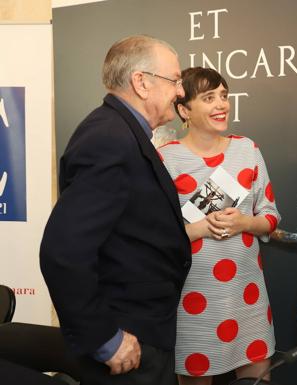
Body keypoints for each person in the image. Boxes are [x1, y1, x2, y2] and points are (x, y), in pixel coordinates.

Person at [40, 35, 191, 385]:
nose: (181, 92)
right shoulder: (108, 138)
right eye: (175, 80)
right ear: (141, 82)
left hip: (146, 331)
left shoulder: (122, 133)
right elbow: (63, 252)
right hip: (126, 339)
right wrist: (104, 340)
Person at [157, 67, 281, 385]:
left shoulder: (247, 150)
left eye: (224, 96)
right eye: (209, 98)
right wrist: (199, 229)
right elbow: (154, 238)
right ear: (184, 110)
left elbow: (270, 218)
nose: (221, 104)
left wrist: (244, 222)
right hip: (192, 302)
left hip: (247, 299)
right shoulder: (165, 159)